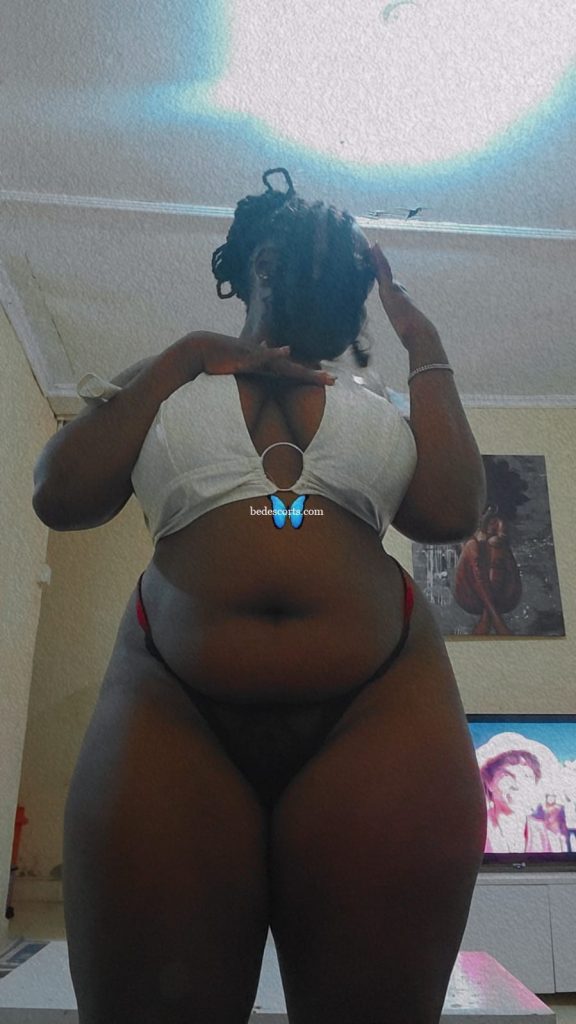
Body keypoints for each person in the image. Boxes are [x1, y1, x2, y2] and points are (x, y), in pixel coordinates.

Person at [32, 168, 488, 1024]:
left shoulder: (381, 403)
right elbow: (61, 493)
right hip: (172, 710)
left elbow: (451, 511)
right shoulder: (170, 380)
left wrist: (423, 340)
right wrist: (182, 356)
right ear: (258, 264)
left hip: (379, 710)